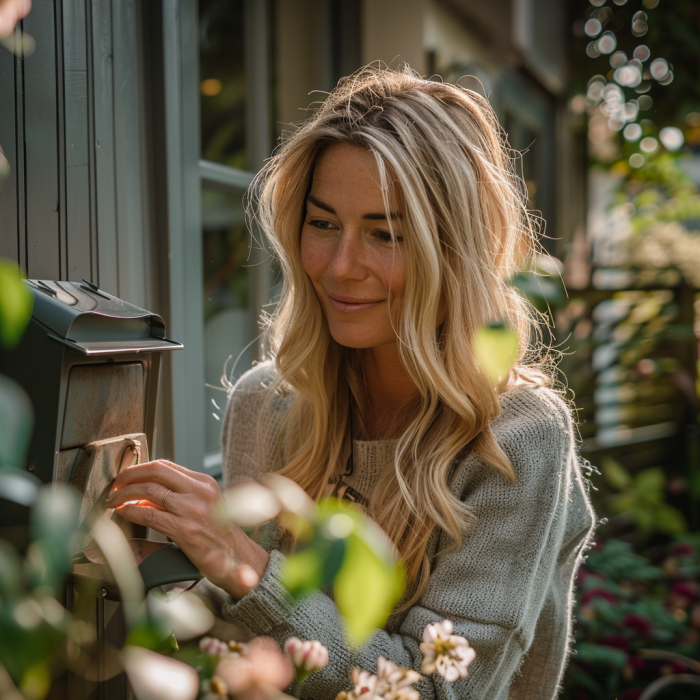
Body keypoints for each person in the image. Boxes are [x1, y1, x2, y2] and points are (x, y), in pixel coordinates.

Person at [109, 65, 597, 699]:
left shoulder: (517, 439)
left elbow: (437, 691)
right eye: (323, 224)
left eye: (384, 234)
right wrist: (164, 572)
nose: (341, 267)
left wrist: (247, 568)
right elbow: (237, 650)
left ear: (453, 250)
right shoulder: (267, 404)